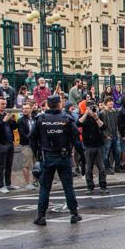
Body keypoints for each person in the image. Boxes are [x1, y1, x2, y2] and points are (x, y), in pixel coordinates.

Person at [30, 95, 81, 225]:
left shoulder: (40, 119)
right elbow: (76, 140)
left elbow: (32, 138)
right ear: (59, 104)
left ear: (48, 104)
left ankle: (41, 216)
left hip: (47, 157)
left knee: (45, 187)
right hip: (63, 157)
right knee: (68, 187)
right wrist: (83, 156)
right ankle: (74, 214)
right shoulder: (67, 119)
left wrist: (37, 154)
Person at [0, 95, 18, 193]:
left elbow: (14, 127)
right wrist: (3, 121)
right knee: (1, 165)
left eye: (5, 104)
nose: (4, 106)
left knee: (9, 164)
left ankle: (8, 183)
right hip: (0, 143)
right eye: (2, 104)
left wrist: (12, 121)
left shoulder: (6, 114)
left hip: (10, 142)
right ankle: (1, 185)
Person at [78, 100, 108, 194]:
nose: (92, 109)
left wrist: (96, 118)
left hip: (99, 145)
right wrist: (86, 113)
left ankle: (103, 186)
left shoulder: (99, 115)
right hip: (88, 146)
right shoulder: (83, 117)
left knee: (102, 168)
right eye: (90, 107)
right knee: (88, 168)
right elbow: (78, 124)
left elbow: (103, 127)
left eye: (93, 107)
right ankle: (90, 187)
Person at [16, 102, 38, 190]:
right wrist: (32, 138)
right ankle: (28, 183)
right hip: (26, 144)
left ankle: (35, 181)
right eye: (23, 108)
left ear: (31, 109)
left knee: (36, 164)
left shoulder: (35, 118)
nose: (25, 110)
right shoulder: (20, 120)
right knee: (26, 164)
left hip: (35, 144)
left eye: (27, 108)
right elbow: (22, 133)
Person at [99, 97, 120, 174]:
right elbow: (101, 126)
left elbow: (115, 123)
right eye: (109, 101)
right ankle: (106, 168)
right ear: (105, 103)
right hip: (107, 137)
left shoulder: (114, 111)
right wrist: (106, 135)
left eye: (112, 101)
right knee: (106, 154)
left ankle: (117, 167)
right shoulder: (102, 113)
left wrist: (117, 133)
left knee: (117, 152)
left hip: (115, 135)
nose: (111, 103)